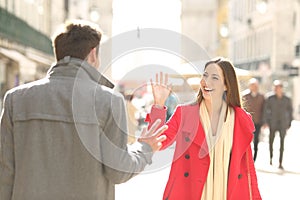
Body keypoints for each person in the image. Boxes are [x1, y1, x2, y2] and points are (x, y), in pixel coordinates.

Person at [0, 20, 167, 200]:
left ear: (58, 52)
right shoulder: (108, 101)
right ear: (93, 54)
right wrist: (145, 148)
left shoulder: (15, 99)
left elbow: (5, 173)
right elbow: (118, 171)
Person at [145, 57, 262, 200]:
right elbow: (158, 142)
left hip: (229, 193)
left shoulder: (240, 118)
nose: (206, 82)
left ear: (226, 85)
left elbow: (248, 168)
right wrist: (158, 105)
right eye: (205, 75)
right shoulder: (185, 113)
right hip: (190, 192)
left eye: (215, 78)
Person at [263, 80, 293, 169]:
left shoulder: (287, 99)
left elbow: (290, 111)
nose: (277, 89)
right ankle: (271, 158)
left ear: (282, 88)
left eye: (279, 87)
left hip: (283, 124)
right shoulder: (270, 98)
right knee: (271, 141)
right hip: (272, 123)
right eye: (275, 87)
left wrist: (289, 123)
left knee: (282, 143)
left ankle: (280, 162)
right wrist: (266, 122)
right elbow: (265, 110)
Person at [243, 78, 265, 161]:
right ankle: (246, 159)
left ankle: (254, 159)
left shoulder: (262, 97)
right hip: (247, 123)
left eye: (255, 85)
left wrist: (264, 121)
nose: (254, 87)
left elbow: (264, 110)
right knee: (246, 142)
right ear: (249, 86)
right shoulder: (244, 96)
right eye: (252, 85)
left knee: (256, 141)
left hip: (258, 122)